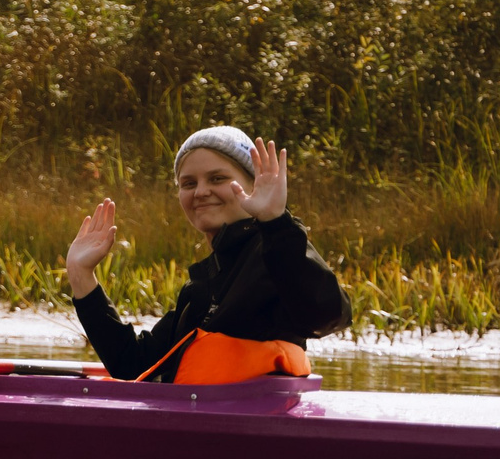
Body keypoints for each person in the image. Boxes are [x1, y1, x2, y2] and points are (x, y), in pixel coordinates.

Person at [63, 126, 350, 383]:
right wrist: (81, 277)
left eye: (217, 178)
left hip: (254, 431)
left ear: (254, 185)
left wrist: (276, 222)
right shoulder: (203, 285)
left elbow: (326, 315)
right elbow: (132, 364)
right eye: (189, 183)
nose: (201, 191)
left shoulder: (275, 253)